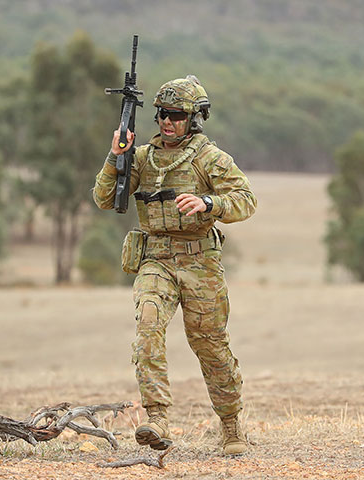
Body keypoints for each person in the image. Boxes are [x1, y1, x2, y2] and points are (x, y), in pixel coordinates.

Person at [92, 75, 257, 455]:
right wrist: (115, 156)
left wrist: (209, 204)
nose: (168, 122)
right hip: (156, 259)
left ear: (194, 119)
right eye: (163, 114)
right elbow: (104, 198)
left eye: (177, 116)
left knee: (209, 344)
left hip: (200, 263)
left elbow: (246, 199)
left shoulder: (208, 158)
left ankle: (231, 426)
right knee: (148, 326)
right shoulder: (145, 157)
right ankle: (158, 418)